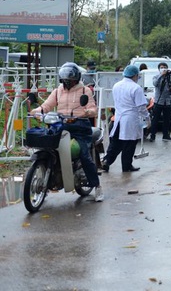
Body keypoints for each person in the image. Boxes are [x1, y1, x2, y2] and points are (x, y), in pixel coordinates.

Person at [30, 62, 103, 201]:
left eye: (70, 79)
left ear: (77, 79)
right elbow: (47, 105)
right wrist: (37, 111)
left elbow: (93, 109)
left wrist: (87, 112)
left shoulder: (84, 91)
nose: (68, 82)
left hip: (80, 127)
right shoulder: (58, 91)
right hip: (60, 125)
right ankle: (48, 182)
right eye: (65, 79)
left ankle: (97, 187)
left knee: (84, 155)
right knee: (48, 148)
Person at [102, 65, 148, 173]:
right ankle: (126, 166)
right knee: (129, 144)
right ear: (135, 75)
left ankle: (106, 161)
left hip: (118, 118)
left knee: (116, 143)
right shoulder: (136, 88)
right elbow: (141, 106)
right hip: (130, 119)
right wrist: (147, 118)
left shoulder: (116, 85)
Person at [150, 62, 171, 142]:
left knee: (167, 120)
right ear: (159, 69)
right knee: (155, 119)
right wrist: (161, 75)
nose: (163, 68)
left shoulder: (169, 78)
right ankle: (152, 135)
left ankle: (166, 135)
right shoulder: (156, 77)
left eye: (165, 67)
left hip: (167, 101)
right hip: (158, 101)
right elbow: (155, 84)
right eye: (162, 67)